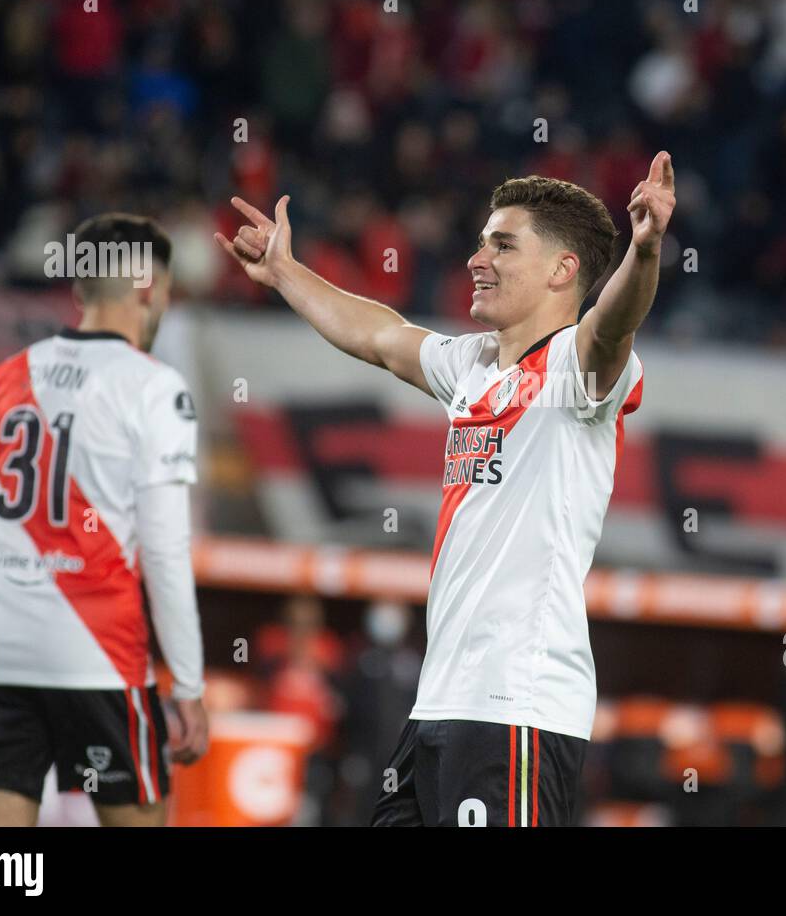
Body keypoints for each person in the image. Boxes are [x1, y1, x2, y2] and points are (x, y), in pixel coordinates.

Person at [215, 153, 676, 825]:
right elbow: (379, 335)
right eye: (482, 239)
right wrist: (285, 272)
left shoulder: (578, 374)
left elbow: (614, 322)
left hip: (516, 709)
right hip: (439, 706)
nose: (475, 257)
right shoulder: (472, 366)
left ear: (562, 270)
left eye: (502, 243)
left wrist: (646, 250)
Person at [0, 213, 208, 826]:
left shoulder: (5, 377)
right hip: (99, 659)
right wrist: (189, 686)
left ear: (79, 290)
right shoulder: (155, 388)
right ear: (148, 289)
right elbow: (166, 553)